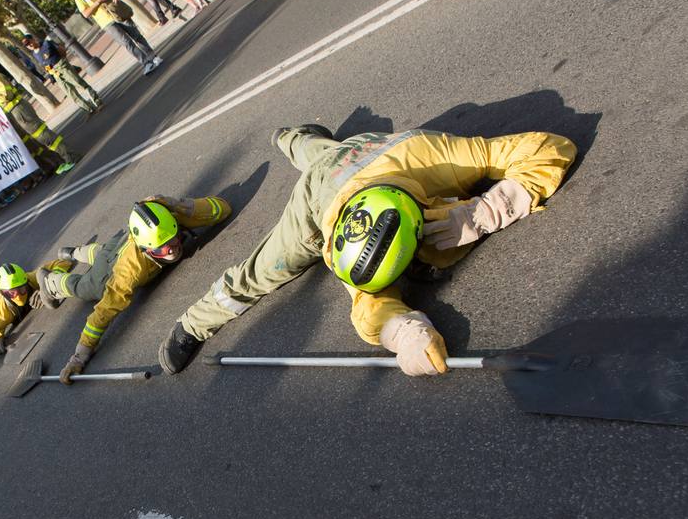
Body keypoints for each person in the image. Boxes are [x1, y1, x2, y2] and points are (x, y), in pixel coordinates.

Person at [159, 124, 577, 376]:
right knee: (256, 275)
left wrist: (485, 210)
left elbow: (549, 148)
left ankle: (293, 136)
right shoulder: (332, 247)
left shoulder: (430, 156)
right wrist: (401, 332)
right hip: (317, 202)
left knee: (319, 150)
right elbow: (367, 305)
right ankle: (191, 325)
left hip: (372, 152)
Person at [35, 195, 233, 383]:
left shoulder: (169, 216)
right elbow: (103, 312)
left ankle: (76, 252)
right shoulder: (130, 271)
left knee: (107, 252)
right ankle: (51, 282)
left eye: (173, 239)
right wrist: (78, 357)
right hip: (116, 260)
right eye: (161, 248)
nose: (171, 248)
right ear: (146, 249)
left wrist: (182, 205)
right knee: (89, 287)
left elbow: (222, 208)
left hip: (119, 243)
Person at [0, 65, 78, 175]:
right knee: (34, 142)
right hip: (11, 116)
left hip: (19, 109)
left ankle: (71, 157)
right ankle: (60, 161)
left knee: (42, 135)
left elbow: (5, 96)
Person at [67, 0, 161, 75]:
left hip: (117, 11)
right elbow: (86, 14)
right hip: (105, 21)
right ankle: (146, 63)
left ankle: (153, 57)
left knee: (136, 36)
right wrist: (98, 2)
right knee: (127, 43)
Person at [21, 34, 101, 114]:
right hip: (55, 74)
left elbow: (62, 50)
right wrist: (51, 76)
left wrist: (63, 62)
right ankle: (90, 109)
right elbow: (45, 64)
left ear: (33, 39)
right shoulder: (35, 54)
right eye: (27, 45)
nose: (29, 45)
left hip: (62, 66)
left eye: (29, 42)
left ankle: (97, 101)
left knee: (80, 83)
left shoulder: (46, 43)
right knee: (71, 94)